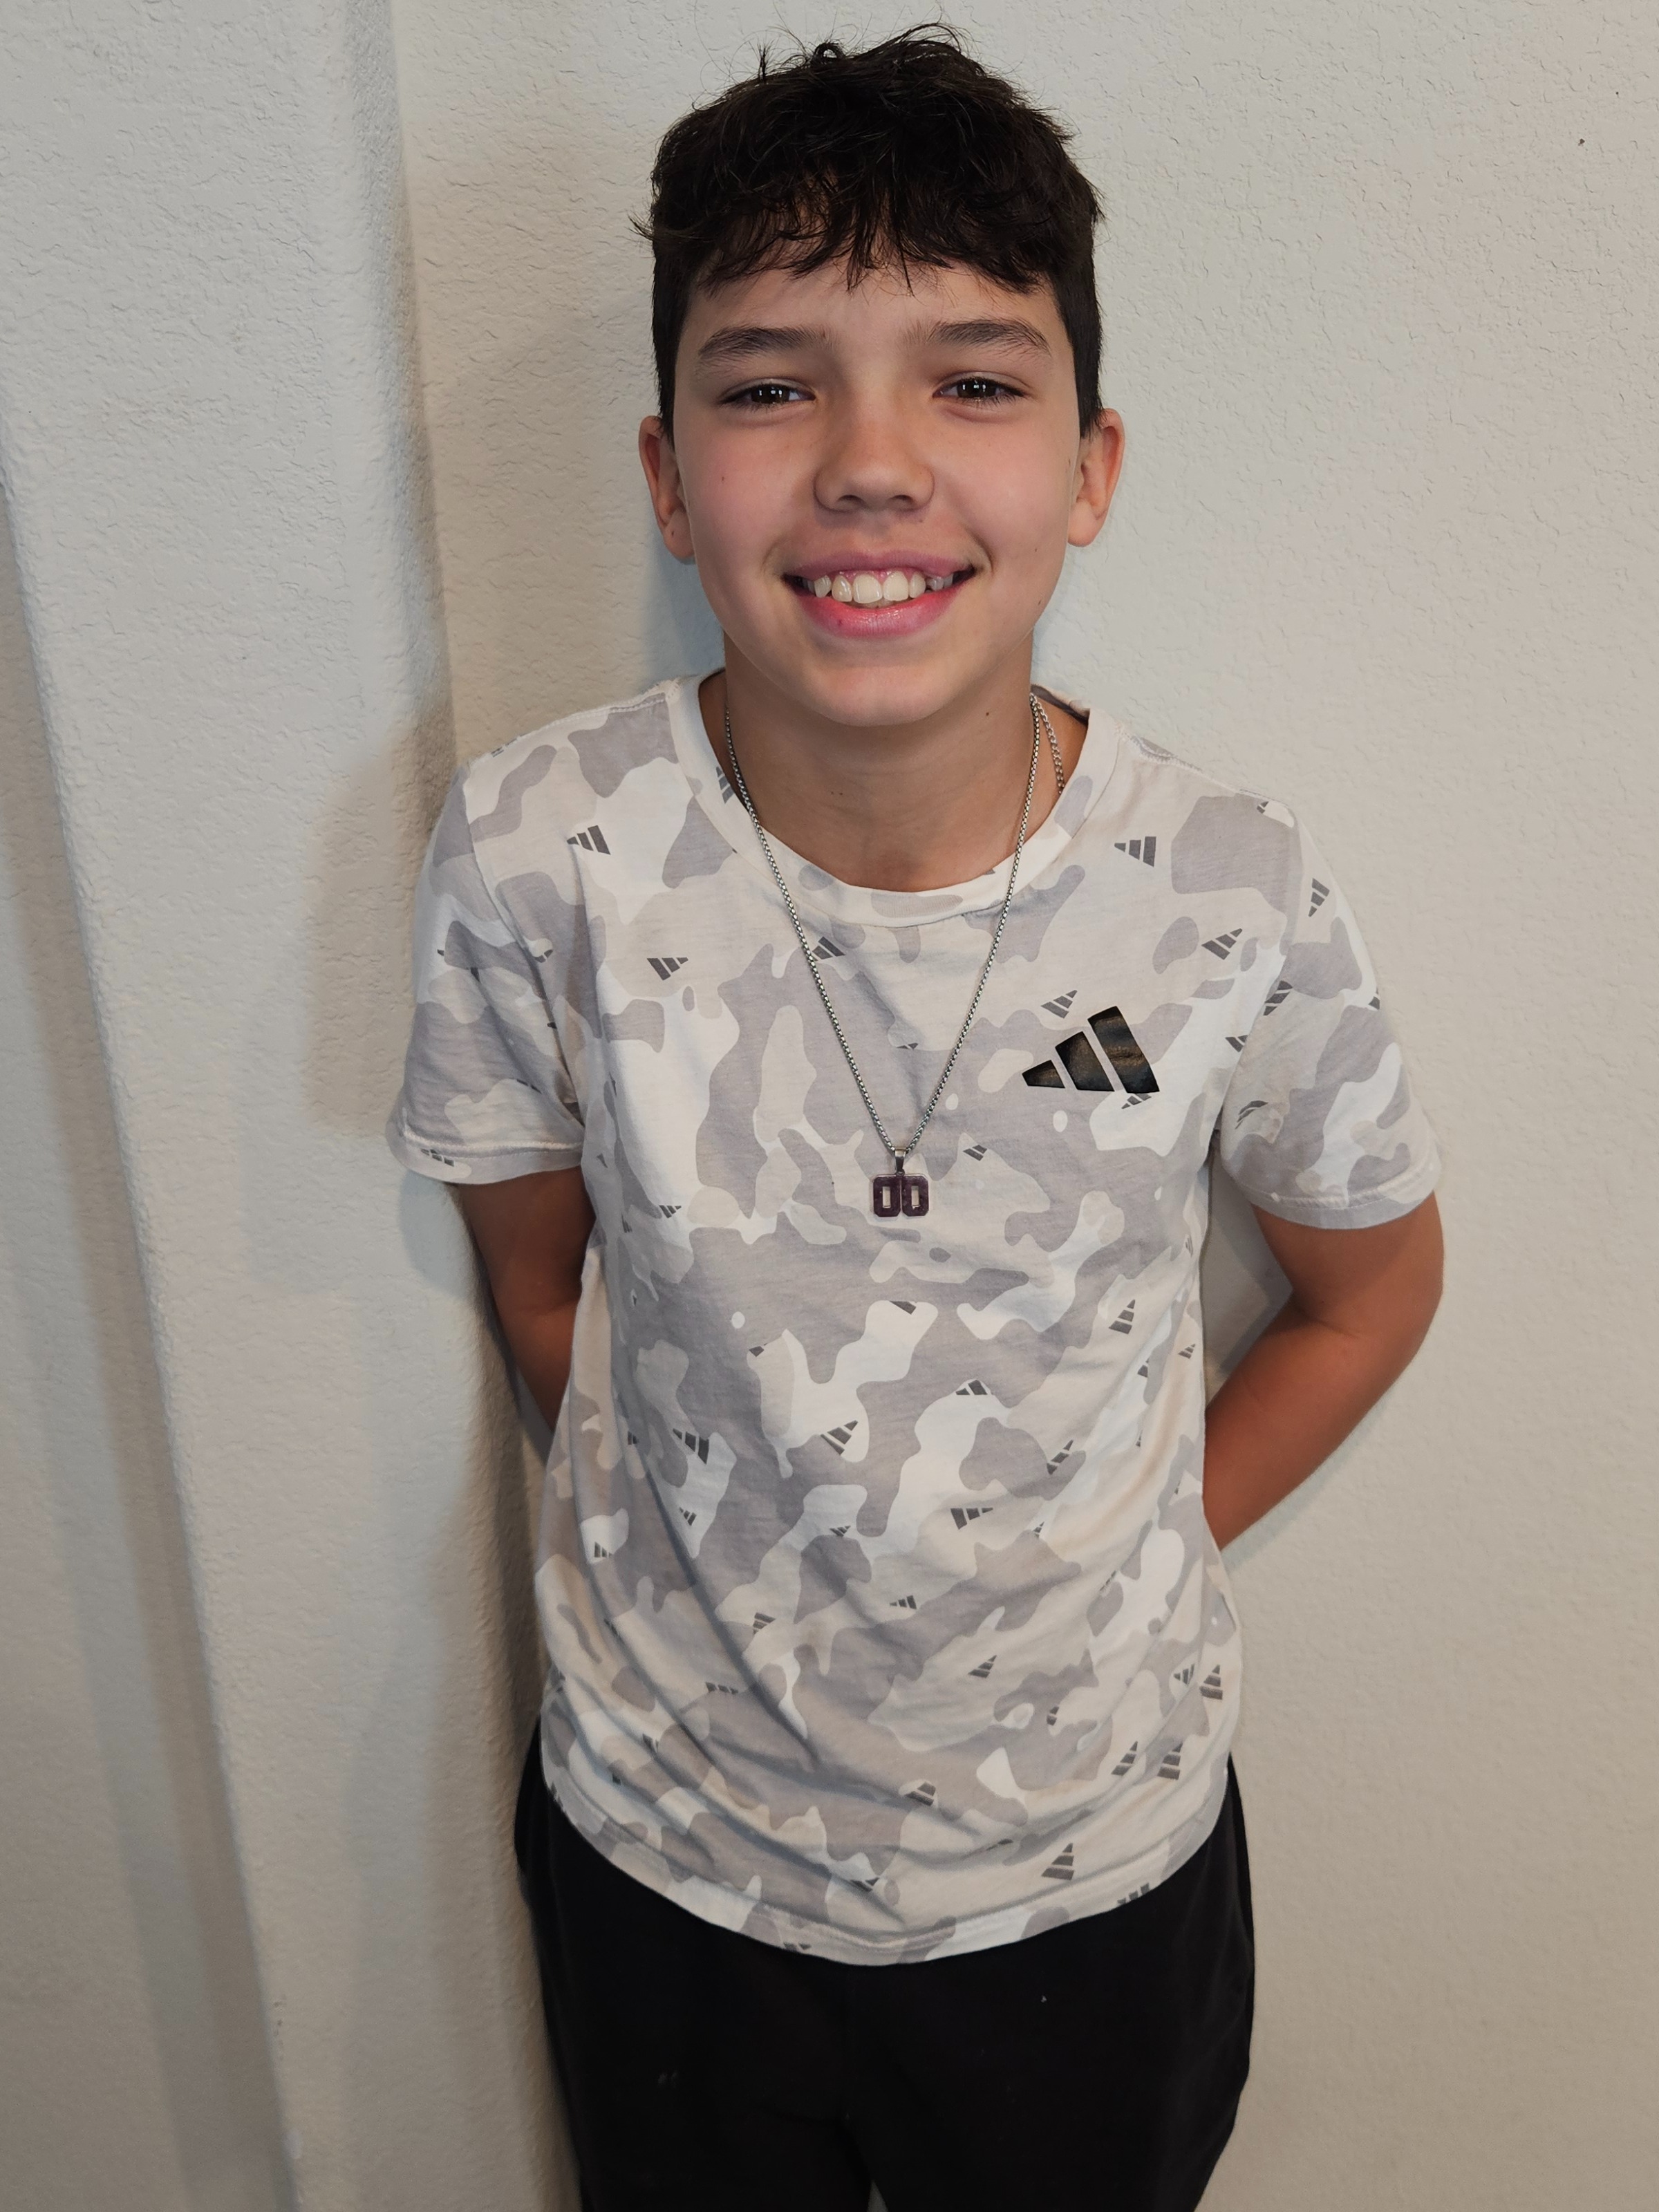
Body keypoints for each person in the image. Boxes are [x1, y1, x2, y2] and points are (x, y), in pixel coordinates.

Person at [387, 28, 1443, 2211]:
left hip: (1089, 1884)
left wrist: (1127, 1551)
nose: (872, 465)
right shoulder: (535, 853)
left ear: (1090, 466)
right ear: (669, 474)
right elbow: (535, 1277)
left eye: (972, 380)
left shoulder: (1227, 890)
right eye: (771, 386)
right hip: (667, 1862)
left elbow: (1370, 1288)